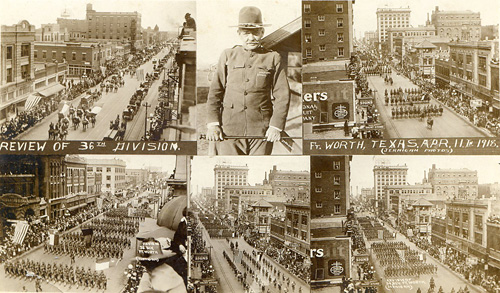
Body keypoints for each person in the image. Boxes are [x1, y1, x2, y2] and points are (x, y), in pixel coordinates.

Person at [206, 6, 291, 155]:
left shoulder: (273, 58)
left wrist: (276, 126)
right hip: (228, 130)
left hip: (261, 131)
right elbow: (215, 92)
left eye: (256, 32)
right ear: (239, 34)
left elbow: (282, 95)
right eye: (246, 33)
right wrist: (213, 124)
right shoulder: (228, 55)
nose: (251, 38)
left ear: (262, 32)